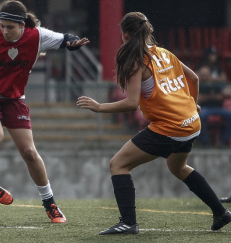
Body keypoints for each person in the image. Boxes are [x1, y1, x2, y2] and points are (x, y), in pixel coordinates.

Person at [77, 12, 231, 235]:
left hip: (170, 127)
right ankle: (221, 213)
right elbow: (194, 79)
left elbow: (131, 103)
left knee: (118, 164)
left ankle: (128, 223)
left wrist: (100, 107)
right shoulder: (164, 53)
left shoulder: (136, 61)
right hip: (192, 123)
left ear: (125, 34)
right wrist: (192, 105)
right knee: (178, 168)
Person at [0, 0, 89, 223]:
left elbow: (64, 39)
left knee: (30, 152)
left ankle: (50, 204)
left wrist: (73, 43)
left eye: (10, 27)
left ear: (22, 25)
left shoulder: (38, 36)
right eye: (2, 25)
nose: (4, 30)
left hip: (13, 97)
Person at [197, 66, 231, 146]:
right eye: (202, 75)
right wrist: (215, 96)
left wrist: (207, 97)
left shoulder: (216, 83)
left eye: (206, 74)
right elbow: (198, 99)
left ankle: (224, 140)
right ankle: (205, 141)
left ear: (210, 75)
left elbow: (227, 92)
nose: (204, 77)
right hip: (205, 109)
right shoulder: (199, 85)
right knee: (200, 116)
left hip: (218, 108)